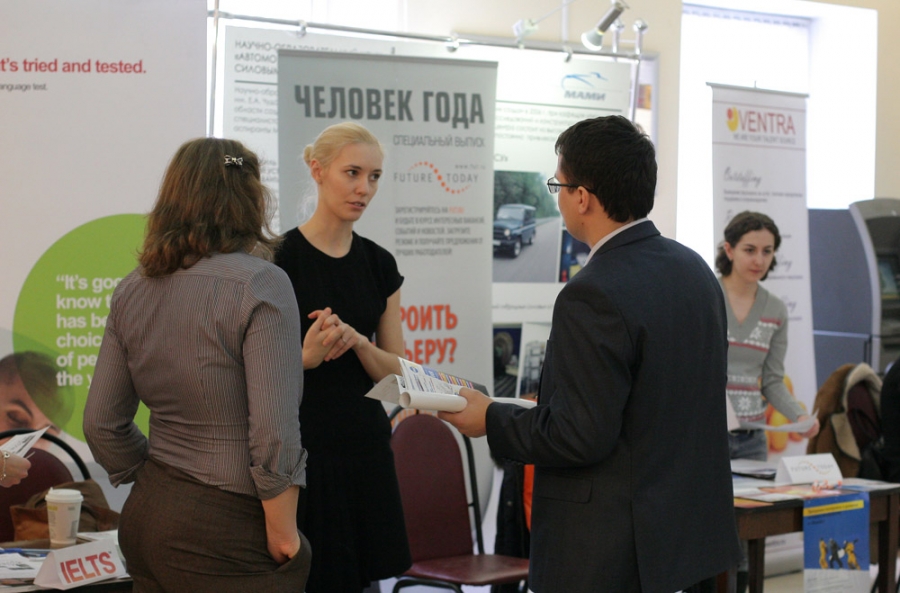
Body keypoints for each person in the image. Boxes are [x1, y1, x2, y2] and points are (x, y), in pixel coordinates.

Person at [439, 115, 741, 593]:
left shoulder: (593, 291)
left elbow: (579, 435)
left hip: (611, 553)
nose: (558, 198)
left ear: (582, 196)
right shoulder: (695, 270)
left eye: (558, 185)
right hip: (688, 542)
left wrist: (490, 418)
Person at [83, 138, 311, 592]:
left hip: (146, 515)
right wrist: (285, 531)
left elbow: (101, 423)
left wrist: (157, 480)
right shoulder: (262, 283)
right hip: (225, 525)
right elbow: (274, 432)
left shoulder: (132, 288)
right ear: (249, 198)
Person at [274, 122, 411, 593]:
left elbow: (399, 376)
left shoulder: (379, 264)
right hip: (300, 454)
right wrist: (304, 357)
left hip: (364, 448)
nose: (363, 188)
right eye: (352, 173)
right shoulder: (276, 260)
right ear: (317, 170)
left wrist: (359, 343)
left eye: (374, 177)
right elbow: (246, 374)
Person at [716, 211, 820, 463]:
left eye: (767, 251)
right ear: (729, 250)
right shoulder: (705, 297)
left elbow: (772, 380)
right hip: (707, 434)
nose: (759, 260)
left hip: (753, 440)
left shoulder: (776, 310)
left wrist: (799, 416)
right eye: (750, 250)